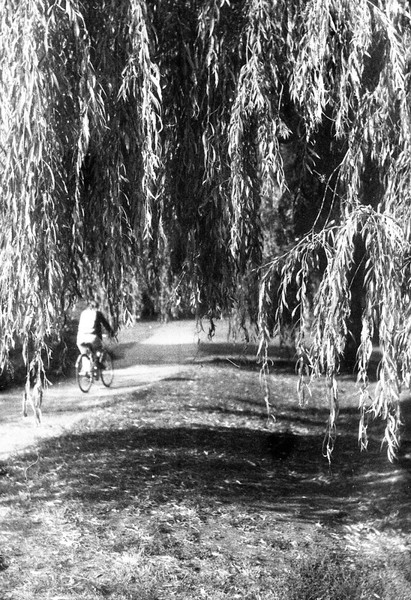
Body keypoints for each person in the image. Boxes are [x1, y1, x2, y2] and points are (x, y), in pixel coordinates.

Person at [76, 299, 114, 367]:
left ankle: (86, 370)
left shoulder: (83, 313)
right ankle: (97, 363)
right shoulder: (97, 313)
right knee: (99, 350)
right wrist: (111, 332)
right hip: (92, 338)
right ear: (96, 307)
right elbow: (105, 324)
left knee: (85, 354)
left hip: (80, 338)